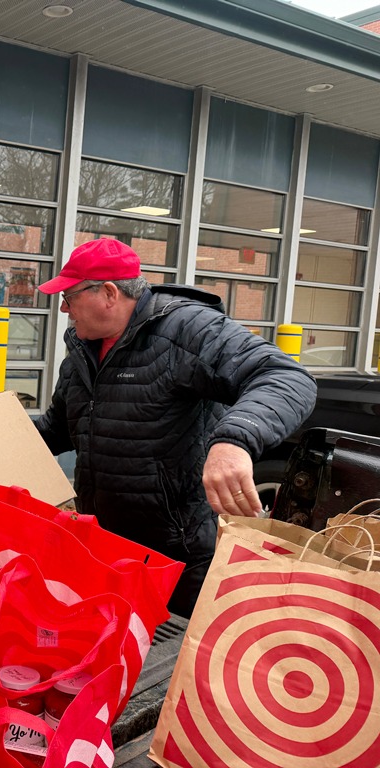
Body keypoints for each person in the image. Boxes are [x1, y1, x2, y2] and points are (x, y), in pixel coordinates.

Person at [34, 238, 317, 617]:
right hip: (107, 547)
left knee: (180, 649)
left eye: (69, 297)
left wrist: (234, 441)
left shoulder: (186, 329)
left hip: (181, 555)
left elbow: (286, 377)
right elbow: (56, 429)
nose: (64, 309)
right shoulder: (82, 352)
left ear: (109, 293)